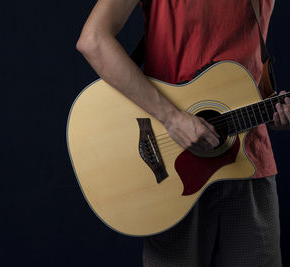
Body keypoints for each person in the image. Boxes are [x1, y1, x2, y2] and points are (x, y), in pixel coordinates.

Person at [76, 0, 289, 266]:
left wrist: (275, 108)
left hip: (248, 160)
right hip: (170, 172)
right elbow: (93, 40)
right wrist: (171, 118)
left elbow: (249, 64)